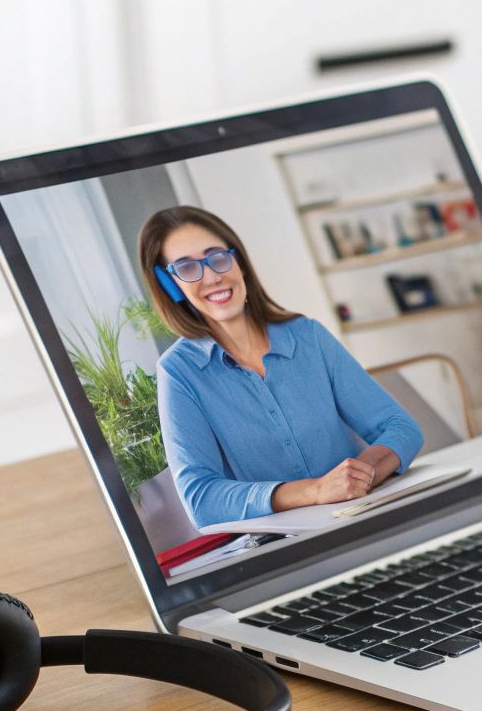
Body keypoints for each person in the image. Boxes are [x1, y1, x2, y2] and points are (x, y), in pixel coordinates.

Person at [139, 205, 423, 528]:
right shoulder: (179, 372)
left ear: (239, 262)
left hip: (365, 520)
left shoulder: (308, 336)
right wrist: (314, 491)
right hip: (284, 551)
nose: (212, 276)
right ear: (170, 284)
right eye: (187, 268)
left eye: (218, 257)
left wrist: (359, 476)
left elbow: (401, 427)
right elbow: (201, 499)